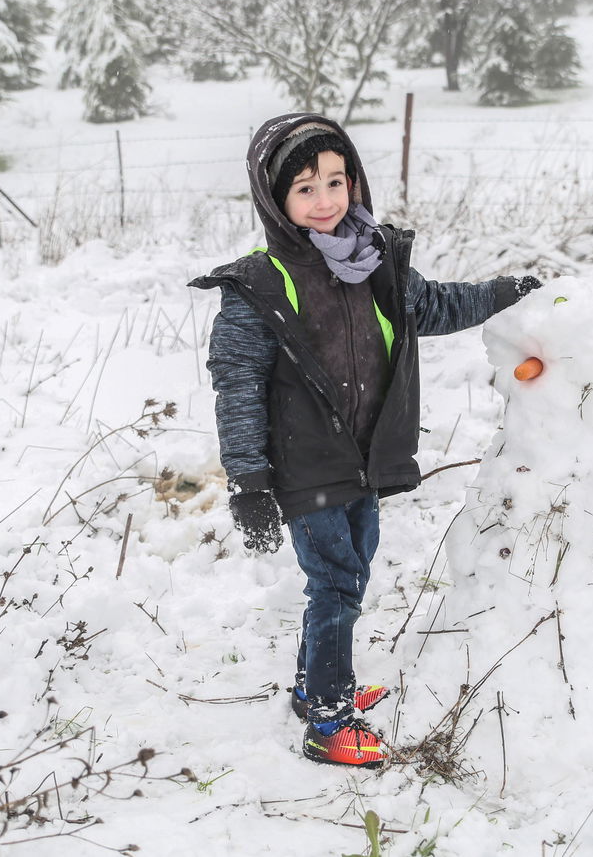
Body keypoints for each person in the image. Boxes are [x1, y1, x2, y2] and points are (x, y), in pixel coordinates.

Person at [189, 113, 541, 768]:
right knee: (339, 581)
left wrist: (501, 293)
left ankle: (312, 682)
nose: (324, 200)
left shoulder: (373, 261)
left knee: (345, 574)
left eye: (335, 180)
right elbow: (236, 386)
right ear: (275, 199)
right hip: (302, 464)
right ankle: (326, 719)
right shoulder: (259, 287)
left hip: (361, 461)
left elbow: (433, 306)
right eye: (304, 188)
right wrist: (248, 480)